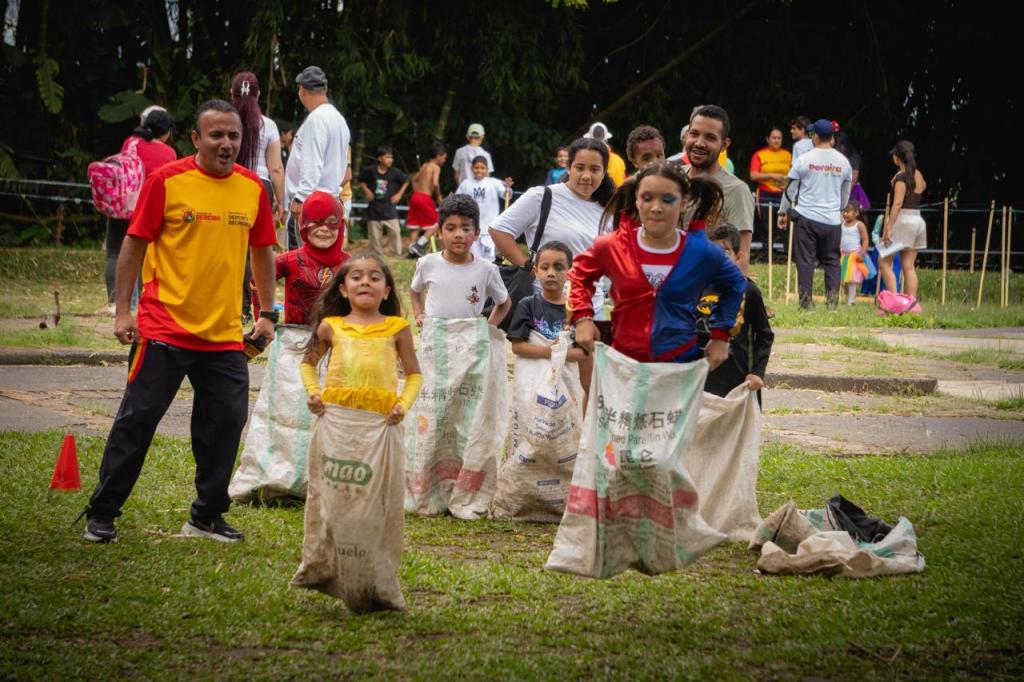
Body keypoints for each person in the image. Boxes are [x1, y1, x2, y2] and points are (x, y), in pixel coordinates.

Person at [81, 100, 278, 544]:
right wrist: (124, 310)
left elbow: (263, 251)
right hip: (163, 328)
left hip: (224, 334)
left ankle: (206, 517)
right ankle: (103, 512)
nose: (226, 143)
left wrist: (267, 313)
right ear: (196, 138)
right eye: (216, 135)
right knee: (137, 421)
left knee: (226, 425)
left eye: (233, 136)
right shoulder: (167, 180)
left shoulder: (252, 188)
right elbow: (134, 243)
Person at [292, 254, 421, 612]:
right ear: (344, 290)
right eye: (357, 277)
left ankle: (374, 580)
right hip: (337, 425)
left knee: (374, 503)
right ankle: (324, 569)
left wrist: (403, 404)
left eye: (375, 277)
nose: (365, 282)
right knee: (333, 498)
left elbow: (414, 374)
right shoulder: (331, 327)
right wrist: (314, 393)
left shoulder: (397, 328)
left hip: (380, 426)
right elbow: (308, 365)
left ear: (387, 291)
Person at [230, 192, 348, 502]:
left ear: (341, 225)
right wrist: (263, 316)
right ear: (303, 226)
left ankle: (324, 483)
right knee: (284, 412)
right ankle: (276, 478)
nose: (324, 230)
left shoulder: (351, 265)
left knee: (332, 414)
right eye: (315, 223)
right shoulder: (291, 260)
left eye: (331, 223)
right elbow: (257, 278)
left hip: (337, 350)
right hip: (293, 348)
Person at [570, 162, 746, 368]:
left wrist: (721, 335)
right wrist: (582, 317)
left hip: (680, 366)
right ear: (637, 200)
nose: (656, 208)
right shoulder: (612, 246)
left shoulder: (701, 251)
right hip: (623, 365)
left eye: (667, 199)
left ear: (684, 202)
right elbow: (579, 275)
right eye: (647, 198)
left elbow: (735, 284)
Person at [100, 108, 178, 316]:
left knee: (115, 253)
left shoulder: (131, 142)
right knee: (142, 257)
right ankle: (142, 301)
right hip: (148, 210)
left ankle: (116, 303)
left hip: (122, 206)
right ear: (167, 132)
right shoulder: (169, 153)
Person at [777, 119, 853, 309]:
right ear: (832, 137)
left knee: (805, 261)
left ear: (816, 137)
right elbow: (845, 195)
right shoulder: (844, 162)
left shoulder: (804, 159)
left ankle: (806, 304)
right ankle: (832, 304)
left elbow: (790, 190)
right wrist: (840, 210)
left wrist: (782, 212)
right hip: (833, 221)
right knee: (832, 261)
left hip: (807, 218)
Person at [699, 224, 774, 404]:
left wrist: (757, 372)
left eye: (724, 253)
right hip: (700, 383)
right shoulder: (695, 288)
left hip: (737, 385)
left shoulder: (749, 291)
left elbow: (764, 335)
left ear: (738, 256)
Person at [410, 194, 511, 327]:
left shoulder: (487, 269)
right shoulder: (427, 263)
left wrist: (488, 328)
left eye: (466, 229)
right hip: (435, 336)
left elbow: (504, 302)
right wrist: (419, 314)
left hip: (470, 337)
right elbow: (415, 290)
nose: (458, 235)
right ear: (440, 232)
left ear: (477, 233)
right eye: (450, 228)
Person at [680, 105, 756, 274]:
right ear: (686, 136)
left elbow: (741, 257)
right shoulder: (673, 180)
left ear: (724, 144)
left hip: (710, 284)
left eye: (710, 138)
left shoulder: (736, 190)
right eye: (694, 134)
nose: (699, 143)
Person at [285, 66, 351, 248]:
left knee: (304, 259)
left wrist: (301, 198)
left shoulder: (316, 119)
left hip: (312, 203)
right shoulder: (339, 120)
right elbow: (343, 167)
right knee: (324, 260)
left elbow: (311, 162)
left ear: (302, 90)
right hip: (331, 199)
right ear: (325, 89)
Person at [506, 240, 584, 357]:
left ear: (570, 272)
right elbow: (517, 347)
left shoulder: (577, 309)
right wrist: (552, 351)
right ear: (536, 271)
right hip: (533, 369)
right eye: (545, 268)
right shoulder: (527, 305)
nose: (551, 273)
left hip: (566, 368)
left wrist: (560, 354)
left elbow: (582, 353)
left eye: (558, 268)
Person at [880, 140, 927, 299]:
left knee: (884, 261)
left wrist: (888, 227)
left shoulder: (901, 177)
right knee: (908, 265)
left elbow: (898, 203)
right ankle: (912, 302)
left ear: (897, 157)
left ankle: (894, 299)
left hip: (903, 220)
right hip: (917, 220)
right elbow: (923, 186)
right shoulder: (918, 174)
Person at [455, 155, 513, 261]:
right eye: (476, 168)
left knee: (488, 257)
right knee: (473, 256)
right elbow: (457, 199)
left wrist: (507, 188)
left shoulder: (494, 182)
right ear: (472, 168)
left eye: (482, 168)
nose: (479, 170)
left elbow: (506, 195)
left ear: (487, 169)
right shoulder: (466, 183)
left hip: (489, 227)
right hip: (472, 226)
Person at [358, 145, 409, 258]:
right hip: (374, 208)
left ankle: (396, 255)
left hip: (389, 208)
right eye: (387, 157)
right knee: (374, 236)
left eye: (391, 157)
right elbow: (361, 180)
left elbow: (406, 180)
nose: (390, 160)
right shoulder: (370, 171)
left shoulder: (395, 172)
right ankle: (376, 256)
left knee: (395, 232)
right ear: (380, 158)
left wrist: (399, 194)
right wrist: (367, 190)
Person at [406, 142, 447, 258]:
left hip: (415, 196)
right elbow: (435, 183)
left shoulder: (424, 165)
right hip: (424, 198)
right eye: (444, 158)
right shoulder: (436, 167)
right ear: (439, 155)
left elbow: (414, 179)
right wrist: (439, 196)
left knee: (415, 225)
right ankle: (419, 245)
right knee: (437, 223)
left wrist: (417, 190)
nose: (444, 161)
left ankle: (411, 250)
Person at [749, 127, 791, 208]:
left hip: (785, 192)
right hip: (765, 193)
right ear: (768, 139)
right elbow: (753, 175)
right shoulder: (759, 154)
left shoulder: (788, 155)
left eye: (779, 138)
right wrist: (772, 176)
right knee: (767, 216)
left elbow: (794, 174)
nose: (776, 140)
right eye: (774, 138)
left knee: (784, 216)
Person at [839, 200, 871, 304]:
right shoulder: (842, 224)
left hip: (854, 255)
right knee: (843, 278)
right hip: (843, 255)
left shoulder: (859, 225)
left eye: (848, 212)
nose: (845, 214)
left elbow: (865, 240)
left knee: (852, 279)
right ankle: (844, 297)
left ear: (856, 213)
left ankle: (851, 300)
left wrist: (862, 252)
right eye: (844, 211)